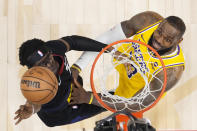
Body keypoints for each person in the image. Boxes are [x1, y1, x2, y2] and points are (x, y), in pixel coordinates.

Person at [70, 11, 186, 111]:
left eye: (168, 40)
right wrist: (77, 66)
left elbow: (136, 104)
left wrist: (89, 98)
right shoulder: (147, 21)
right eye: (159, 32)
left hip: (137, 88)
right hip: (125, 58)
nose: (159, 40)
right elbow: (107, 38)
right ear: (159, 24)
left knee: (124, 110)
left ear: (179, 41)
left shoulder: (171, 71)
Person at [14, 35, 115, 127]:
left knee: (77, 80)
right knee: (109, 104)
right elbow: (35, 102)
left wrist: (107, 48)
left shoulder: (53, 48)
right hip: (62, 111)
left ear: (49, 51)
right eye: (42, 64)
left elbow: (74, 42)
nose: (48, 64)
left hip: (68, 86)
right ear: (34, 70)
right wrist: (31, 109)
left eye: (48, 57)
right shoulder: (38, 84)